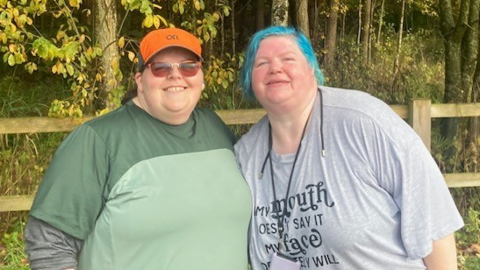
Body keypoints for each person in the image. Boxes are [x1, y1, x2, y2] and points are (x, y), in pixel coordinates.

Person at [234, 25, 464, 270]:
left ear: (311, 67)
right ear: (250, 78)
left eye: (288, 58)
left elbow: (434, 224)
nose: (275, 68)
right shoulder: (246, 155)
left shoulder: (363, 121)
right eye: (261, 63)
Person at [25, 27, 252, 270]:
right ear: (140, 81)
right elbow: (49, 244)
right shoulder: (98, 139)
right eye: (160, 67)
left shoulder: (215, 127)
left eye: (188, 66)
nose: (176, 75)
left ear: (201, 78)